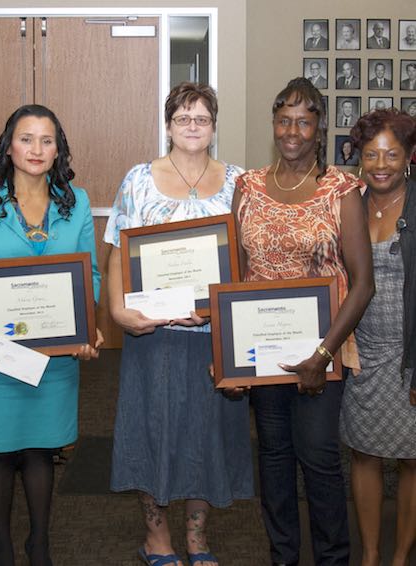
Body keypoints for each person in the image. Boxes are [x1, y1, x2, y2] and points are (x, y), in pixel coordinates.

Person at [0, 104, 103, 566]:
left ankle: (40, 544)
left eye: (47, 140)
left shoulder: (75, 204)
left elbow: (89, 275)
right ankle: (4, 546)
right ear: (8, 145)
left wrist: (83, 325)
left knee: (40, 449)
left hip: (53, 358)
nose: (36, 149)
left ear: (59, 149)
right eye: (27, 138)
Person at [105, 82, 253, 566]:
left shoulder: (239, 181)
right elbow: (117, 256)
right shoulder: (138, 180)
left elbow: (248, 259)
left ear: (214, 126)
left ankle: (196, 537)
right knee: (151, 433)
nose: (192, 126)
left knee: (207, 438)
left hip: (215, 339)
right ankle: (157, 539)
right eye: (183, 117)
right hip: (155, 336)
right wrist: (118, 312)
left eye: (202, 118)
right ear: (168, 125)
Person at [232, 77, 374, 565]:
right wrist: (228, 360)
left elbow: (363, 283)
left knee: (318, 461)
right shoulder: (247, 186)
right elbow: (234, 275)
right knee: (272, 460)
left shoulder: (341, 189)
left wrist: (322, 355)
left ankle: (333, 559)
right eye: (284, 120)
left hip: (323, 352)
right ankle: (283, 557)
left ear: (319, 129)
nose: (292, 130)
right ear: (273, 125)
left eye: (304, 121)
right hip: (261, 353)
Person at [340, 108, 416, 566]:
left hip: (410, 353)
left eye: (391, 154)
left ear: (409, 156)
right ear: (360, 158)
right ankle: (370, 554)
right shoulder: (351, 202)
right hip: (360, 352)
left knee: (412, 459)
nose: (381, 164)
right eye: (372, 154)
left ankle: (401, 554)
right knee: (364, 453)